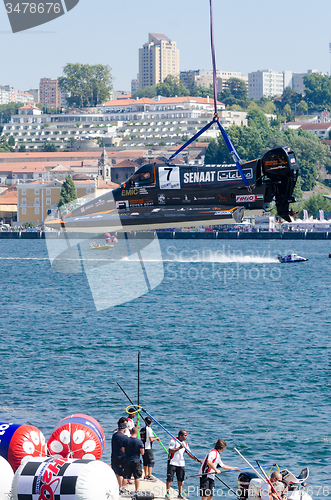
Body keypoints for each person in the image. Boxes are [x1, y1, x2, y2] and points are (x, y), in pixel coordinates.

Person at [166, 429, 201, 500]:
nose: (186, 437)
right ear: (180, 435)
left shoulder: (185, 443)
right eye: (185, 435)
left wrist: (196, 459)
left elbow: (189, 453)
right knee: (169, 479)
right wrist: (179, 448)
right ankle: (167, 493)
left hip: (181, 464)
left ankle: (180, 494)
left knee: (180, 479)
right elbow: (170, 451)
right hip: (172, 463)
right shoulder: (173, 441)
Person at [123, 426, 145, 492]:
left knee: (126, 476)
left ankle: (123, 489)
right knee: (136, 477)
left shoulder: (126, 440)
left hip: (127, 459)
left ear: (131, 432)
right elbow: (142, 453)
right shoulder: (139, 442)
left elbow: (123, 450)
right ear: (137, 432)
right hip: (136, 460)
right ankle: (136, 490)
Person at [111, 421, 129, 493]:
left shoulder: (114, 435)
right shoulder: (125, 437)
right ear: (124, 430)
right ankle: (122, 489)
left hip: (114, 456)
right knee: (122, 474)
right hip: (122, 457)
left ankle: (117, 487)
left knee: (116, 473)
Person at [142, 416, 160, 481]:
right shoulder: (149, 429)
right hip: (148, 448)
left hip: (143, 448)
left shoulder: (142, 429)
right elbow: (151, 439)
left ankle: (145, 475)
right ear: (151, 423)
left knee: (145, 461)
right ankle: (149, 476)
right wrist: (157, 438)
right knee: (151, 461)